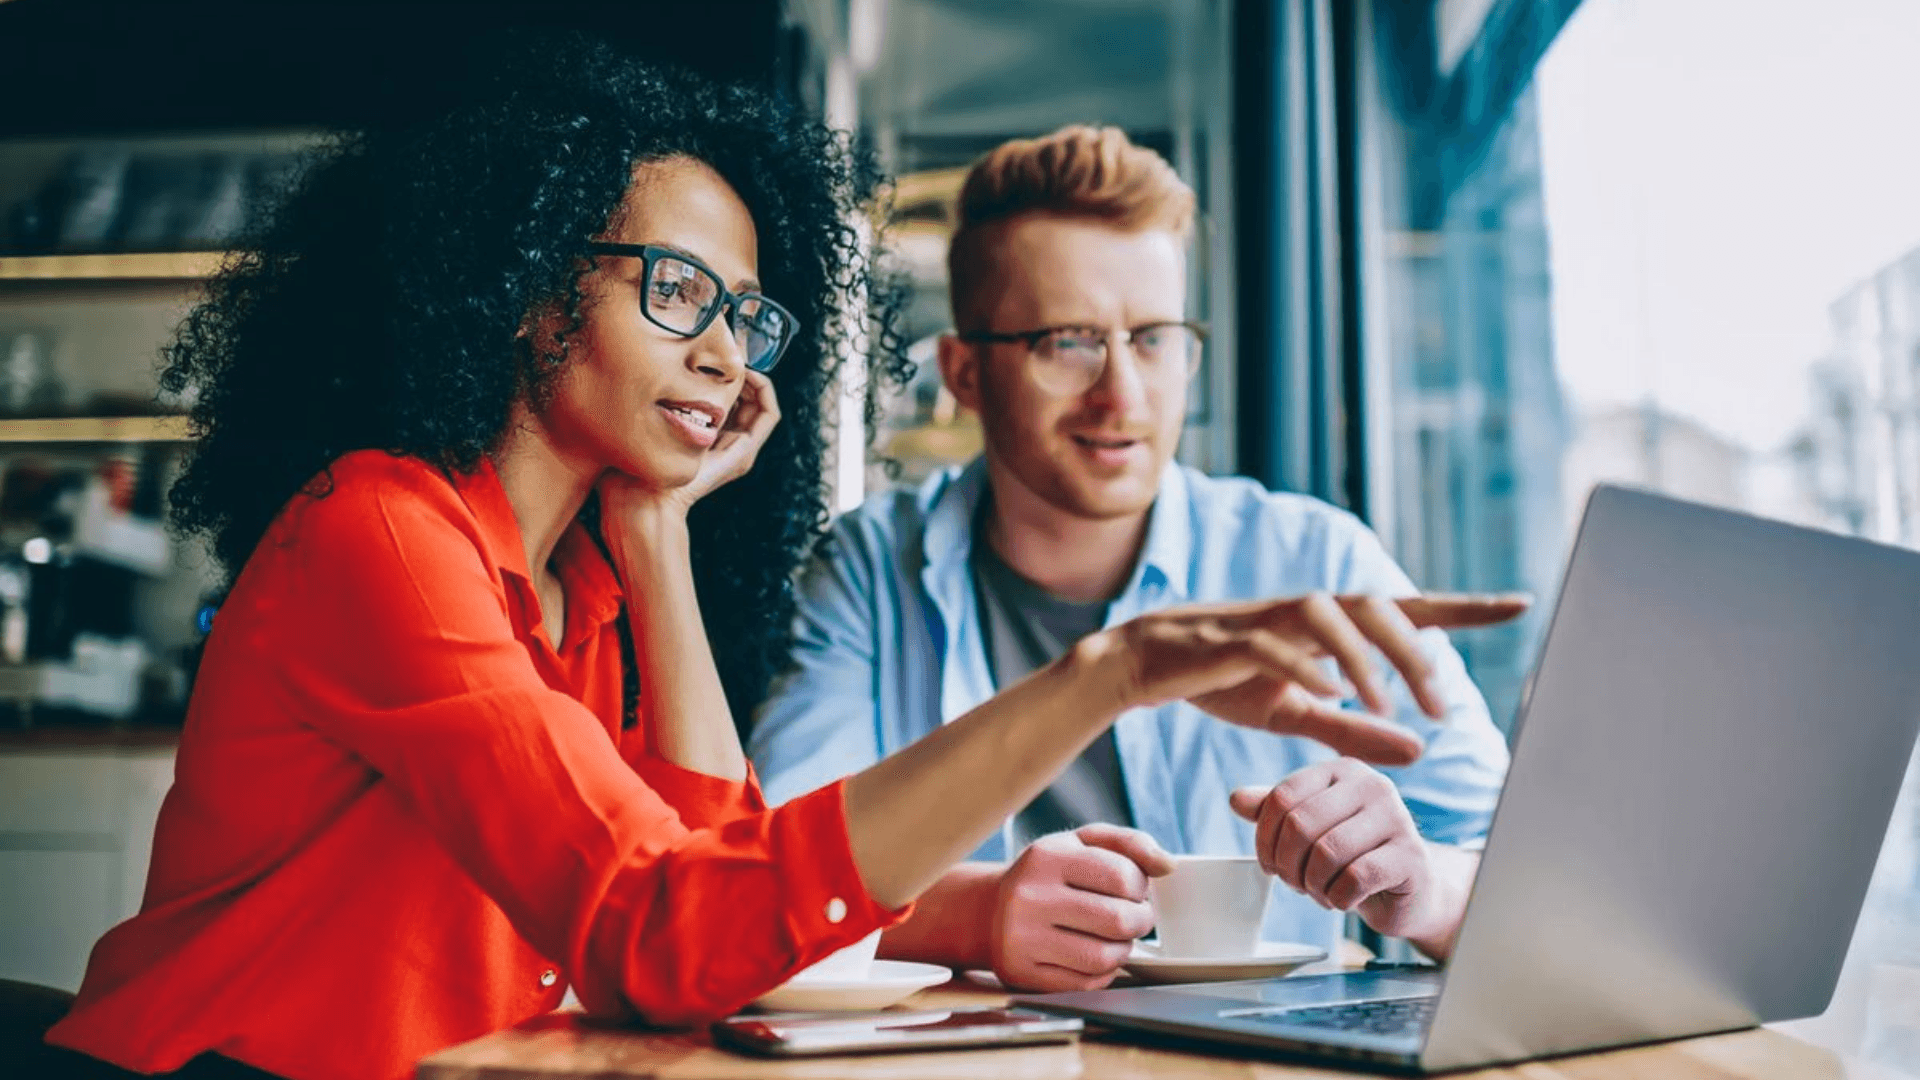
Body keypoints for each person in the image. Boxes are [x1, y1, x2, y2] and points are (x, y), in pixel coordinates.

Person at [41, 48, 1519, 1080]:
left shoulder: (591, 583)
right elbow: (667, 927)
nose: (716, 350)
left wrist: (661, 530)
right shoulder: (383, 532)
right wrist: (1106, 677)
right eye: (675, 289)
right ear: (525, 288)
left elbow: (711, 905)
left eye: (745, 315)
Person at [748, 125, 1519, 992]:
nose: (1123, 393)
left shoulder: (1314, 559)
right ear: (964, 373)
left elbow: (1528, 875)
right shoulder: (869, 568)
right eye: (1068, 342)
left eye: (1154, 338)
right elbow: (769, 876)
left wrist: (1420, 887)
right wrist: (979, 913)